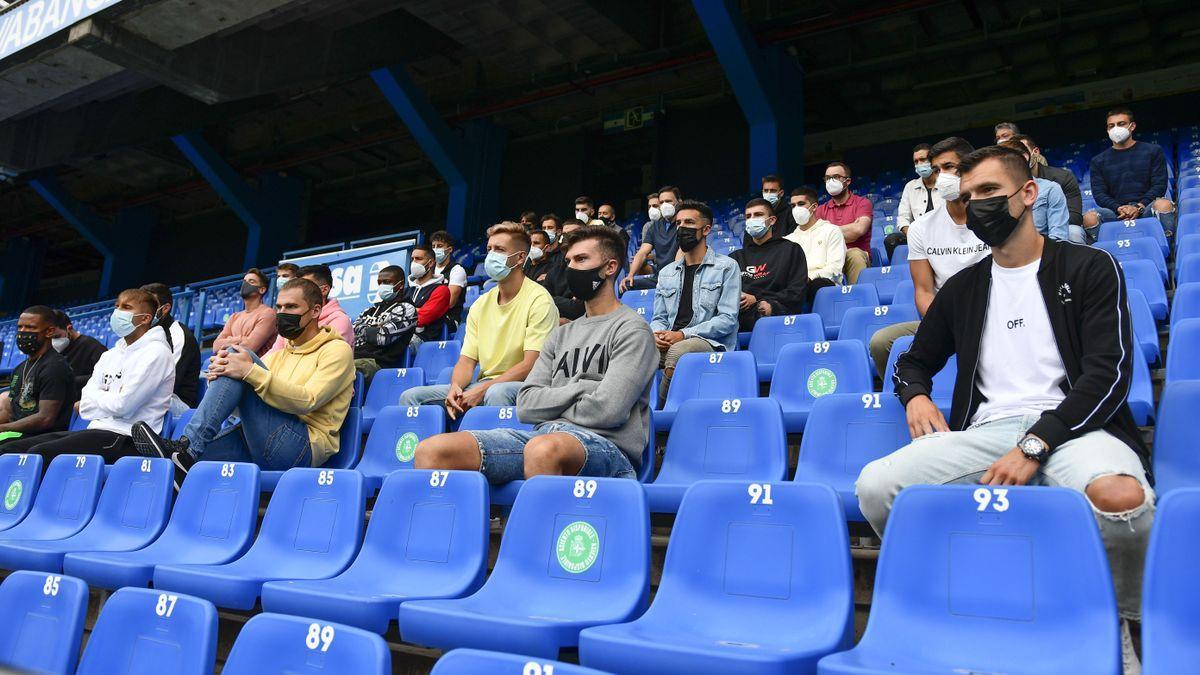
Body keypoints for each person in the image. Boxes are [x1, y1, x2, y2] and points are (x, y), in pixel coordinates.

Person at [856, 145, 1152, 661]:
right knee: (877, 486)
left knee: (1122, 500)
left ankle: (1125, 622)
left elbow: (1110, 375)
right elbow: (910, 360)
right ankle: (958, 598)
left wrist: (1036, 444)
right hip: (988, 430)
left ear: (1028, 193)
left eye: (990, 191)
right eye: (968, 198)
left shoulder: (1089, 266)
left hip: (1073, 427)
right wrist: (916, 396)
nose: (978, 205)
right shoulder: (964, 288)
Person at [414, 226, 657, 482]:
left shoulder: (632, 330)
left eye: (582, 259)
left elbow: (608, 410)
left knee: (542, 450)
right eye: (568, 261)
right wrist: (582, 389)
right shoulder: (561, 334)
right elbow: (528, 404)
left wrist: (552, 404)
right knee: (433, 450)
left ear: (610, 267)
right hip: (542, 438)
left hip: (607, 446)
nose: (571, 268)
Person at [132, 278, 355, 477]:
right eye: (279, 306)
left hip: (301, 447)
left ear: (316, 311)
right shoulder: (280, 354)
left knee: (241, 358)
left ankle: (187, 446)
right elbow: (243, 404)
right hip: (260, 440)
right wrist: (219, 374)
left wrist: (247, 371)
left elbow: (308, 401)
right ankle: (184, 455)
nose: (282, 312)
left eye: (291, 306)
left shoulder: (337, 350)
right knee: (177, 466)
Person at [399, 222, 559, 413]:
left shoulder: (539, 300)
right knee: (411, 397)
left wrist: (483, 389)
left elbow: (531, 364)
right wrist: (455, 387)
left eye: (499, 249)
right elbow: (466, 361)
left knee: (497, 392)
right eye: (489, 249)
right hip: (485, 385)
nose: (491, 255)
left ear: (520, 257)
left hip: (527, 387)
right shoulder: (480, 305)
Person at [2, 289, 175, 463]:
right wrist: (109, 398)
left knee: (38, 453)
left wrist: (99, 397)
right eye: (117, 306)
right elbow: (85, 405)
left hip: (126, 437)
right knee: (10, 449)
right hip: (96, 429)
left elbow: (123, 406)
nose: (117, 312)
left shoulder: (156, 353)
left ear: (145, 318)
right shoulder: (111, 354)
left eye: (126, 307)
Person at [868, 137, 990, 374]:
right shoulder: (921, 228)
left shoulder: (993, 217)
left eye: (949, 167)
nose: (940, 176)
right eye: (936, 169)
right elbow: (923, 291)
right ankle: (906, 398)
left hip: (992, 315)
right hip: (947, 319)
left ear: (971, 168)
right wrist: (945, 325)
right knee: (882, 342)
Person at [650, 200, 739, 406]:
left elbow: (727, 320)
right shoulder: (667, 272)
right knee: (633, 352)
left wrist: (682, 334)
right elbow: (659, 317)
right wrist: (657, 335)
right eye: (679, 223)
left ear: (706, 229)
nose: (682, 228)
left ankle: (660, 414)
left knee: (678, 352)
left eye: (689, 223)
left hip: (709, 343)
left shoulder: (727, 267)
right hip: (670, 339)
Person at [1084, 107, 1176, 242]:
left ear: (1132, 126)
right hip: (1115, 212)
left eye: (1121, 124)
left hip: (1146, 207)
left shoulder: (1153, 151)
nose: (1116, 128)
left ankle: (1166, 254)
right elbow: (1099, 194)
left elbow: (1159, 185)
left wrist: (1138, 207)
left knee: (1164, 205)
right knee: (1089, 218)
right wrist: (1119, 208)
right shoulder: (1098, 161)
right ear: (1108, 130)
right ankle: (1107, 256)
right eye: (1111, 126)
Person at [0, 306, 75, 446]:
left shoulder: (55, 366)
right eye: (20, 327)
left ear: (50, 331)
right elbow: (11, 411)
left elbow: (45, 418)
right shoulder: (20, 368)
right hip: (16, 434)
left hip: (44, 438)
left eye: (30, 327)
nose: (22, 333)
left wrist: (3, 428)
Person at [730, 198, 808, 331]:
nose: (752, 219)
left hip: (775, 311)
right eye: (748, 216)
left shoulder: (791, 250)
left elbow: (796, 292)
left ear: (772, 220)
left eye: (758, 215)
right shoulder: (735, 258)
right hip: (739, 314)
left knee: (764, 309)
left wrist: (757, 298)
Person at [999, 140, 1073, 242]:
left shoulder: (1050, 189)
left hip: (1044, 252)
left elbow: (1058, 237)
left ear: (1024, 157)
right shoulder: (994, 194)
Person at [266, 264, 353, 351]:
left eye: (306, 285)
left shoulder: (340, 321)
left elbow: (328, 356)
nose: (299, 290)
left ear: (324, 290)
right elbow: (273, 354)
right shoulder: (290, 320)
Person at [142, 283, 201, 410]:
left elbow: (167, 384)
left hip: (175, 401)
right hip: (145, 394)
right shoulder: (140, 333)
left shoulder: (179, 335)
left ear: (165, 308)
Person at [352, 265, 418, 378]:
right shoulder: (370, 310)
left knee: (340, 371)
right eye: (380, 282)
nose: (382, 286)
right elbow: (351, 333)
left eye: (387, 282)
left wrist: (363, 329)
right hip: (354, 357)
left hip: (377, 364)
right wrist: (373, 329)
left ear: (400, 285)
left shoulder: (406, 308)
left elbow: (382, 337)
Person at [784, 187, 847, 302]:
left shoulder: (832, 231)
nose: (796, 209)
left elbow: (835, 269)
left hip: (824, 286)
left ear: (814, 207)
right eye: (793, 206)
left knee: (819, 284)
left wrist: (808, 278)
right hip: (796, 288)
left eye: (801, 204)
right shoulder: (787, 240)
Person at [1012, 133, 1084, 232]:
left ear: (1036, 152)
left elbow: (1075, 217)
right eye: (1014, 154)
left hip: (1056, 230)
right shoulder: (1008, 185)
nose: (1018, 157)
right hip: (1023, 234)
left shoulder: (1063, 177)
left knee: (1074, 231)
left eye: (1022, 152)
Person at [814, 161, 872, 284]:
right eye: (828, 178)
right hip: (829, 257)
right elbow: (816, 237)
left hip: (852, 254)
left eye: (836, 177)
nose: (831, 181)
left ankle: (856, 297)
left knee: (855, 254)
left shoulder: (862, 203)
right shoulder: (820, 210)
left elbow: (859, 230)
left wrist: (827, 232)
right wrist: (849, 229)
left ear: (848, 181)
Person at [622, 186, 682, 292]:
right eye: (662, 202)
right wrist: (630, 275)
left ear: (679, 202)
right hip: (659, 277)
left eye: (668, 201)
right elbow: (642, 253)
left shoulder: (684, 224)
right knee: (626, 285)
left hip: (680, 277)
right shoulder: (654, 227)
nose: (665, 205)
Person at [892, 143, 945, 258]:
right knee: (891, 240)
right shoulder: (910, 187)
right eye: (916, 162)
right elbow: (903, 217)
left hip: (944, 233)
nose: (919, 164)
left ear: (933, 161)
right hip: (918, 235)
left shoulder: (946, 183)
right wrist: (912, 234)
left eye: (923, 160)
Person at [212, 268, 277, 356]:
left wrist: (230, 340)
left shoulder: (268, 314)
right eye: (244, 281)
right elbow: (216, 346)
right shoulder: (234, 316)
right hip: (229, 363)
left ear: (262, 289)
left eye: (251, 281)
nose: (246, 284)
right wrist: (242, 339)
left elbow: (249, 348)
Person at [405, 245, 453, 351]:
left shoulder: (441, 290)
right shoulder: (407, 290)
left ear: (431, 263)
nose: (414, 263)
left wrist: (404, 312)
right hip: (401, 335)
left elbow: (421, 319)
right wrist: (416, 310)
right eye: (413, 259)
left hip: (423, 341)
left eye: (418, 259)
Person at [50, 310, 106, 390]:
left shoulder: (91, 346)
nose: (53, 342)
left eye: (56, 337)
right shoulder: (52, 351)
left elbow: (105, 376)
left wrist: (70, 381)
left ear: (69, 328)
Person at [431, 230, 469, 326]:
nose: (435, 249)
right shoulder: (428, 270)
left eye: (439, 246)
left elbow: (450, 302)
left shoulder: (457, 270)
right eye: (433, 246)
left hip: (448, 319)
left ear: (450, 249)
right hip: (428, 316)